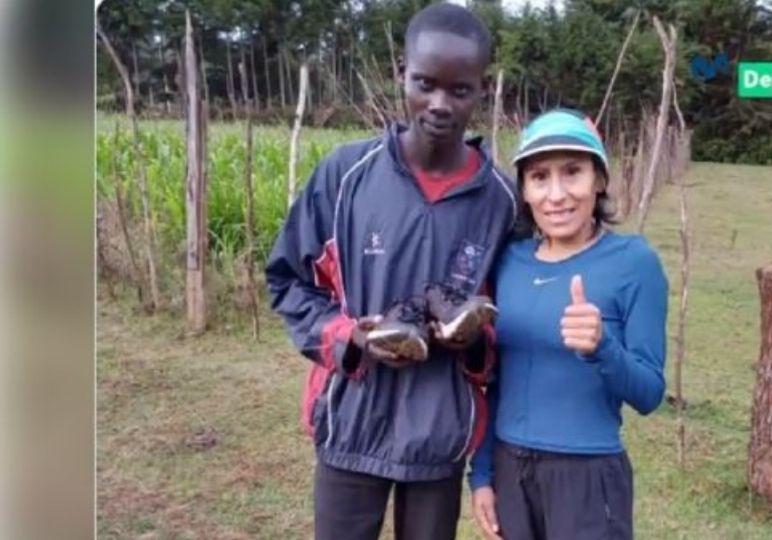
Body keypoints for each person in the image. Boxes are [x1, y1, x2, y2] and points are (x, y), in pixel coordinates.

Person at [264, 4, 517, 540]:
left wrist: (473, 343)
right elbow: (287, 280)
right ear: (400, 74)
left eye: (460, 90)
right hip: (349, 424)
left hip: (439, 439)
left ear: (483, 89)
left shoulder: (501, 203)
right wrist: (350, 337)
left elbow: (510, 321)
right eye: (425, 83)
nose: (440, 104)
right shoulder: (345, 177)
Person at [468, 109, 669, 540]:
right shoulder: (507, 262)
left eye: (572, 172)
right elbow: (497, 380)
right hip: (510, 470)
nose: (556, 194)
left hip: (588, 478)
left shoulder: (634, 264)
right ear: (524, 190)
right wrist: (482, 474)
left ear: (599, 179)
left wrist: (603, 347)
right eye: (540, 177)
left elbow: (650, 393)